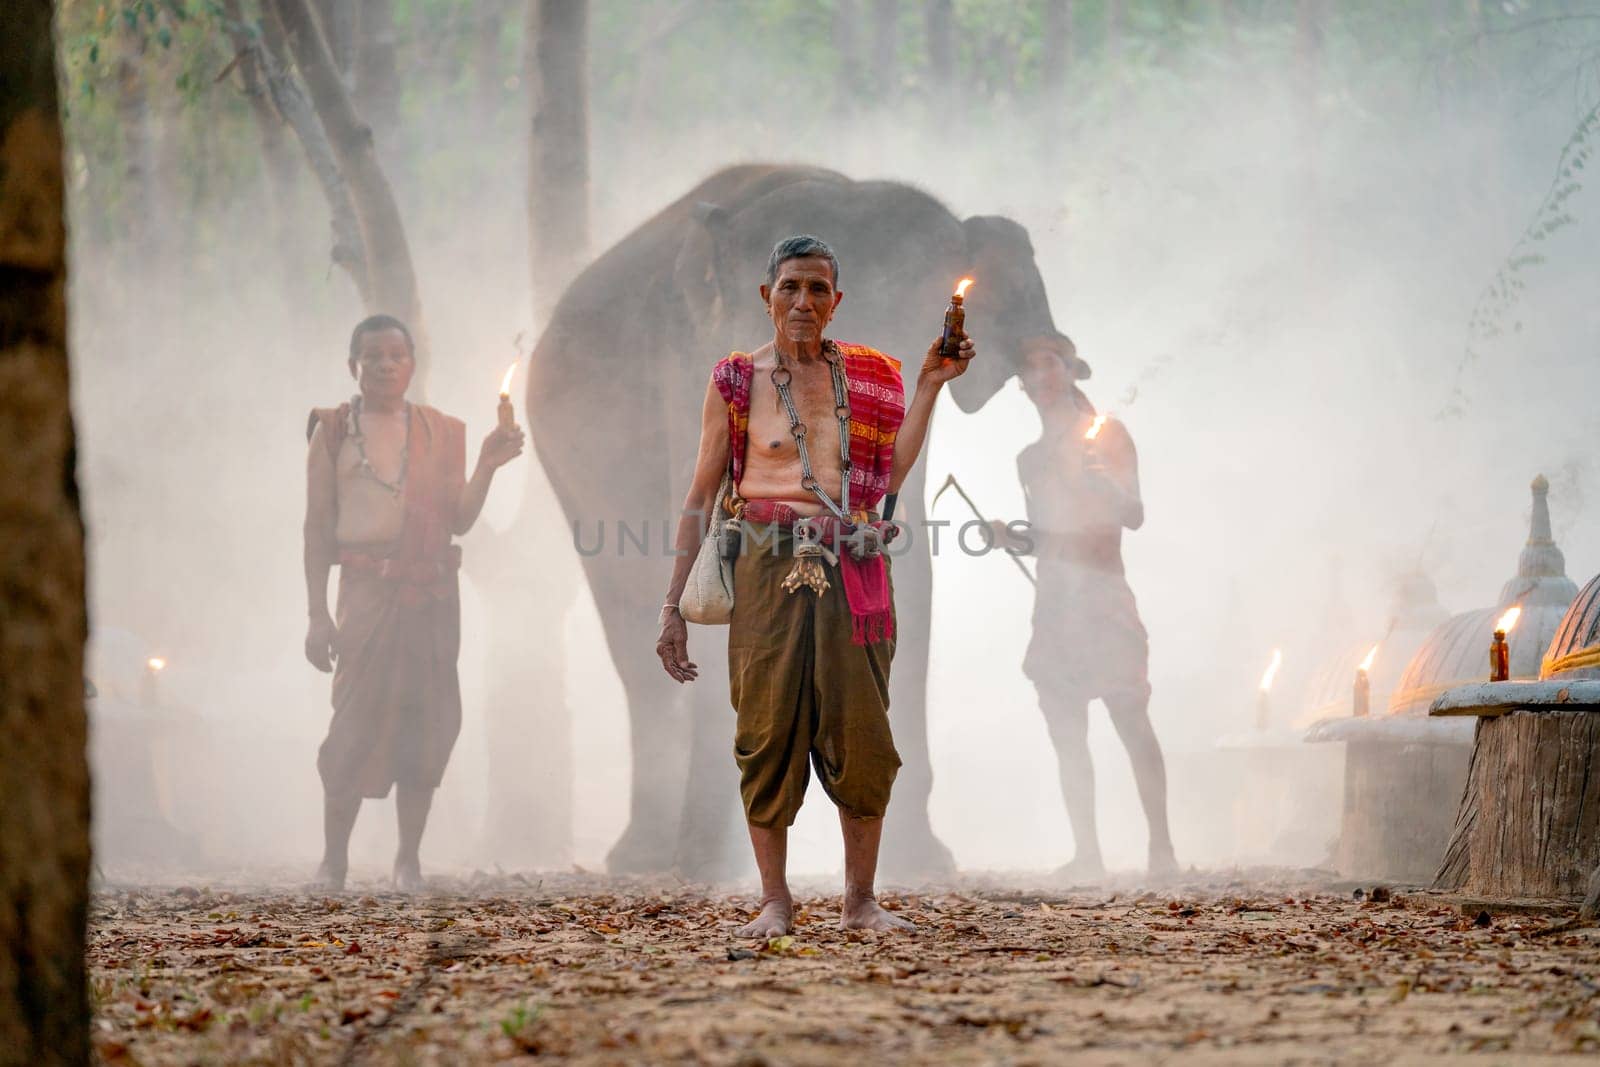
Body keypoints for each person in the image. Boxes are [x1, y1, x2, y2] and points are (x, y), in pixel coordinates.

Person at [655, 235, 974, 936]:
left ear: (837, 302)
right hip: (764, 566)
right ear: (766, 296)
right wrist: (672, 606)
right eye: (790, 286)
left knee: (862, 732)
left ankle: (860, 901)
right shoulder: (736, 380)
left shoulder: (870, 377)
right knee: (765, 730)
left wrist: (928, 385)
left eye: (818, 289)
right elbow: (698, 494)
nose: (803, 301)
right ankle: (775, 898)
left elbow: (887, 477)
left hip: (851, 565)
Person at [303, 315, 524, 890]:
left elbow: (459, 519)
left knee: (426, 722)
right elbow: (315, 531)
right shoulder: (331, 431)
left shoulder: (439, 431)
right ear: (352, 365)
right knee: (352, 723)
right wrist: (316, 613)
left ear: (412, 365)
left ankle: (408, 861)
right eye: (371, 356)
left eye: (395, 355)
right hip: (364, 593)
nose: (383, 365)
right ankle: (335, 861)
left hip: (429, 595)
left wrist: (487, 464)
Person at [991, 343, 1177, 881]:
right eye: (1029, 366)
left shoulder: (1107, 435)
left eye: (1049, 362)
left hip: (1102, 594)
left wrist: (1107, 486)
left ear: (1071, 371)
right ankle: (1087, 852)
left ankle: (1161, 848)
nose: (1039, 374)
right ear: (1021, 385)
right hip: (1055, 603)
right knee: (1066, 731)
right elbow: (1052, 541)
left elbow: (1133, 516)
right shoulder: (1028, 458)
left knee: (1130, 718)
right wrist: (1012, 538)